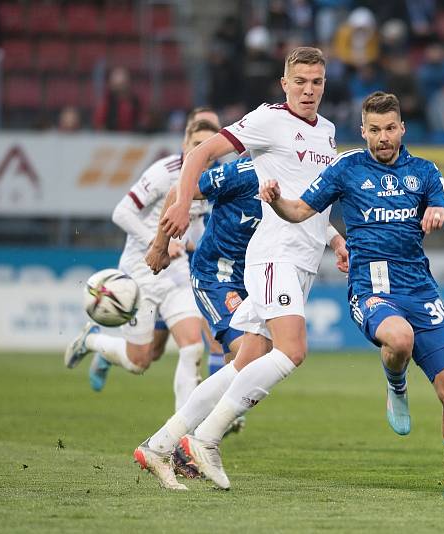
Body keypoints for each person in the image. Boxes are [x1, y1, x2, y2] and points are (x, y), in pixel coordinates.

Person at [133, 46, 347, 491]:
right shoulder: (268, 119)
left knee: (247, 359)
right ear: (284, 84)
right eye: (300, 82)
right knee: (292, 351)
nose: (309, 90)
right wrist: (174, 213)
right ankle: (205, 440)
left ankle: (159, 445)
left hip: (303, 260)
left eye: (317, 82)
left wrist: (335, 238)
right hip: (275, 257)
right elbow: (199, 155)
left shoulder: (326, 132)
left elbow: (310, 198)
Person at [260, 91, 444, 500]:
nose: (383, 137)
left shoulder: (425, 171)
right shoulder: (347, 167)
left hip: (420, 287)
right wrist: (276, 201)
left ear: (402, 128)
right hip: (372, 285)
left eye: (390, 129)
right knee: (399, 338)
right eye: (375, 130)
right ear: (363, 131)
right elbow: (298, 211)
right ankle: (396, 383)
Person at [64, 120, 220, 412]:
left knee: (192, 346)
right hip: (141, 271)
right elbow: (121, 213)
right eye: (197, 144)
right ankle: (94, 341)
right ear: (185, 143)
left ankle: (181, 431)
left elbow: (195, 225)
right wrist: (157, 241)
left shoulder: (212, 177)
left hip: (176, 272)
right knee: (140, 362)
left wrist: (194, 245)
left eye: (209, 147)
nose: (204, 152)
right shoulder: (164, 173)